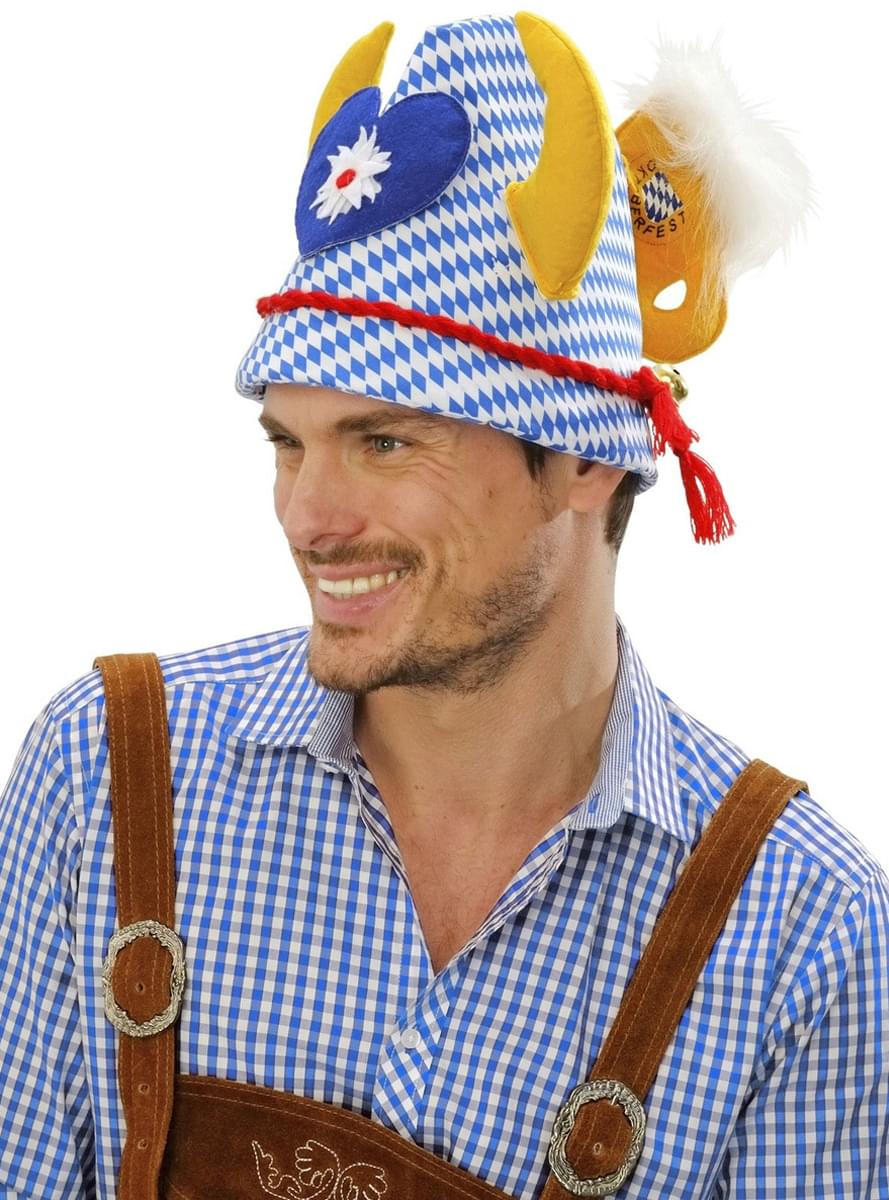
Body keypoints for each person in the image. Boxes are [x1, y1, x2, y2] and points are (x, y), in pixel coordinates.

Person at [1, 12, 887, 1200]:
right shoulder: (106, 778)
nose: (307, 516)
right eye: (287, 442)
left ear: (585, 460)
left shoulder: (801, 934)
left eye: (383, 441)